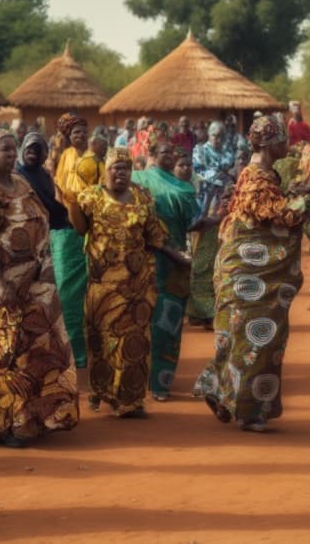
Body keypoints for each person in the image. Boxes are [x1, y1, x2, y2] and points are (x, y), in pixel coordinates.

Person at [0, 129, 80, 447]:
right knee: (3, 355)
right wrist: (1, 284)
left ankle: (30, 417)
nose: (12, 154)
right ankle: (5, 424)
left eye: (13, 148)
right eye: (4, 149)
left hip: (30, 282)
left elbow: (40, 220)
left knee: (32, 351)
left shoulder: (22, 184)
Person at [194, 117, 309, 432]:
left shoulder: (260, 174)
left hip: (248, 271)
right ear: (270, 144)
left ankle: (219, 391)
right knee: (259, 337)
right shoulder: (258, 178)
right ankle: (247, 410)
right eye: (283, 140)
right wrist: (309, 201)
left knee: (241, 336)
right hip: (249, 274)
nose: (288, 145)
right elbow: (283, 216)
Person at [69, 147, 185, 417]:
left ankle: (131, 401)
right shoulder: (91, 197)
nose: (120, 172)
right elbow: (80, 229)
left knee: (134, 343)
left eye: (125, 168)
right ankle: (102, 393)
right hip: (103, 287)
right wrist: (72, 205)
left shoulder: (142, 197)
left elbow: (155, 236)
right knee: (102, 344)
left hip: (136, 286)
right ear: (105, 170)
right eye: (114, 167)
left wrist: (179, 257)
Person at [132, 142, 200, 402]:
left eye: (174, 153)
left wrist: (218, 219)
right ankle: (137, 379)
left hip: (175, 264)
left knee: (168, 322)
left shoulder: (184, 187)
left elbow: (193, 223)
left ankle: (161, 383)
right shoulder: (137, 179)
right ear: (151, 155)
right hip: (144, 260)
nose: (171, 157)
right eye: (165, 153)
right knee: (140, 319)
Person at [51, 113, 94, 366]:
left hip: (89, 224)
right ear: (69, 136)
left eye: (83, 131)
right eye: (76, 132)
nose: (80, 136)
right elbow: (58, 186)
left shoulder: (94, 159)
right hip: (66, 228)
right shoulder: (65, 156)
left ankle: (89, 352)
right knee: (67, 291)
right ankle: (73, 351)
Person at [189, 122, 236, 327]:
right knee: (199, 259)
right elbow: (200, 172)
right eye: (215, 134)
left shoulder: (227, 151)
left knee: (219, 257)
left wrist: (225, 179)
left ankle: (211, 309)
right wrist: (223, 178)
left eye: (221, 135)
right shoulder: (199, 150)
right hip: (203, 207)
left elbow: (230, 168)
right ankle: (198, 311)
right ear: (208, 134)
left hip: (222, 207)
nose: (217, 138)